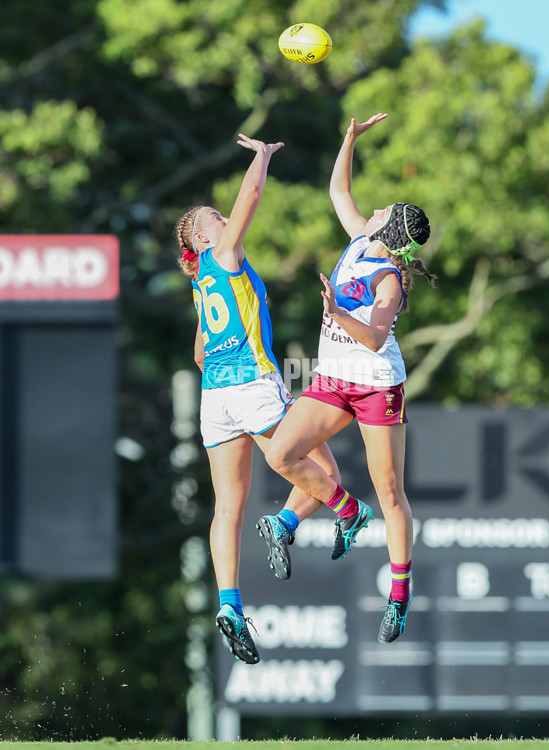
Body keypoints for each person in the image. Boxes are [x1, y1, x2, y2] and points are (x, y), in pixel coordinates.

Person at [264, 113, 436, 644]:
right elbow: (339, 189)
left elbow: (376, 338)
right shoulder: (362, 240)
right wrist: (349, 139)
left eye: (384, 211)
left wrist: (337, 313)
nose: (375, 207)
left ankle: (400, 596)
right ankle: (347, 512)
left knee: (390, 490)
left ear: (390, 230)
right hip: (335, 378)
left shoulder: (389, 278)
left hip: (377, 384)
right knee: (281, 455)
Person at [176, 133, 342, 664]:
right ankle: (286, 524)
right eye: (215, 218)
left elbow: (201, 353)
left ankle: (228, 603)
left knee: (228, 506)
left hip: (215, 398)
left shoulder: (202, 281)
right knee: (325, 479)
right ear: (205, 238)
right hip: (253, 386)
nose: (226, 218)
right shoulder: (222, 255)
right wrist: (262, 158)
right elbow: (250, 199)